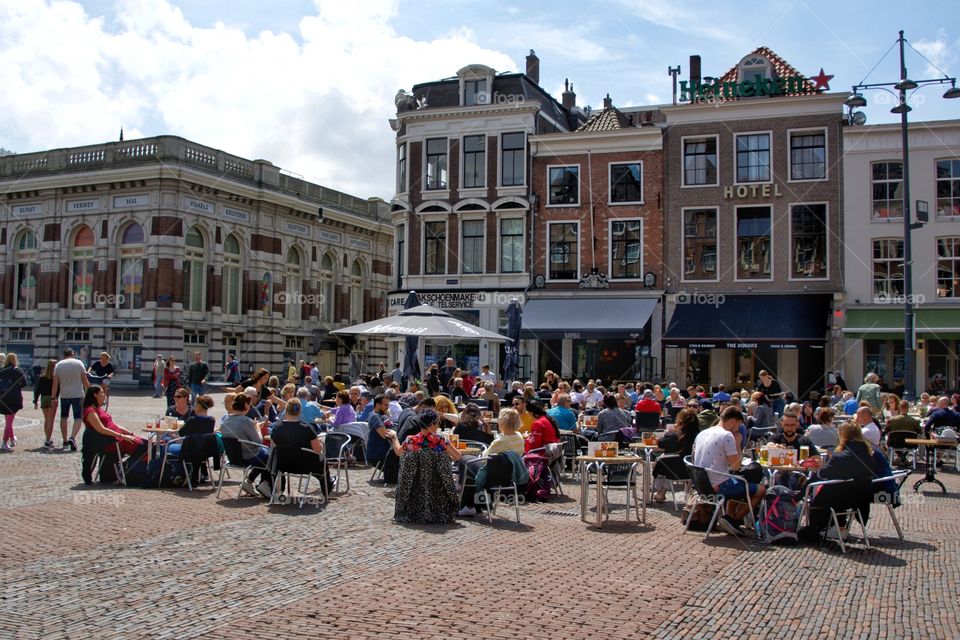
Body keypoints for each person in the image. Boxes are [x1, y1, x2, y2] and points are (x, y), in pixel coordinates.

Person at [800, 422, 894, 540]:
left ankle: (815, 527)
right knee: (832, 487)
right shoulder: (868, 452)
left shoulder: (841, 455)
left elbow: (824, 473)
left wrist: (820, 468)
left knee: (819, 490)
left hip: (844, 498)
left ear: (843, 436)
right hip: (862, 497)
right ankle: (837, 527)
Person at [692, 405, 766, 536]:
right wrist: (737, 443)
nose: (738, 429)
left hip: (701, 484)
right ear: (732, 421)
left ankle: (729, 517)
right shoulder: (727, 436)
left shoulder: (702, 433)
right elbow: (736, 466)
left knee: (736, 480)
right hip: (717, 486)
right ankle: (733, 520)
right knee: (761, 490)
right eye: (738, 426)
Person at [80, 385, 148, 484]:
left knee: (146, 444)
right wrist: (123, 436)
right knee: (142, 446)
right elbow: (101, 429)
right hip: (111, 441)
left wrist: (128, 432)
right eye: (102, 392)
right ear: (95, 395)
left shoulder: (99, 409)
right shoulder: (90, 411)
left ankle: (128, 468)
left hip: (117, 437)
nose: (104, 395)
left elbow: (112, 424)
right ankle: (126, 469)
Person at [271, 399, 327, 496]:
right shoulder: (307, 428)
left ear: (286, 410)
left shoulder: (277, 427)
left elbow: (273, 444)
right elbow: (318, 449)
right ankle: (327, 487)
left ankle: (279, 490)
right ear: (300, 411)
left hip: (282, 464)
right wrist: (321, 443)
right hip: (305, 465)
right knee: (323, 462)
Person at [220, 394, 272, 497]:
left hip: (233, 458)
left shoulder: (225, 420)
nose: (250, 407)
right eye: (250, 404)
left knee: (265, 455)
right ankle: (265, 484)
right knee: (270, 455)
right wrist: (257, 427)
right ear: (245, 405)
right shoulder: (245, 421)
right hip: (247, 457)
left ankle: (249, 481)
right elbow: (258, 442)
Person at [166, 395, 217, 486]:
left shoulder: (192, 420)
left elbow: (181, 433)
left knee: (168, 447)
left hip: (189, 450)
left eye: (196, 404)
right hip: (205, 451)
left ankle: (179, 473)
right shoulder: (211, 420)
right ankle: (190, 473)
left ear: (199, 406)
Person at [652, 408, 699, 502]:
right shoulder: (698, 435)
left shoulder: (675, 436)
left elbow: (661, 443)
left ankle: (658, 490)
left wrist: (668, 432)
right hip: (692, 469)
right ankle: (661, 492)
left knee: (661, 463)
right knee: (666, 462)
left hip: (675, 469)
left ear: (682, 423)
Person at [52, 347, 90, 451]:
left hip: (64, 395)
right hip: (78, 394)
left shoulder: (58, 365)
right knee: (78, 418)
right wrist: (90, 392)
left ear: (63, 355)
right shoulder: (79, 363)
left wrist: (53, 397)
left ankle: (64, 440)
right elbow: (84, 379)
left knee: (64, 417)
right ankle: (72, 437)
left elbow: (55, 383)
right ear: (73, 354)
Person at [0, 353, 27, 451]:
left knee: (8, 420)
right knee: (9, 421)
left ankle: (11, 439)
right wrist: (15, 388)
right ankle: (4, 442)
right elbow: (24, 383)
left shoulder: (2, 370)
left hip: (3, 398)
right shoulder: (18, 370)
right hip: (14, 398)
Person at [366, 394, 396, 470]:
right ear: (377, 405)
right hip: (378, 455)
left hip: (383, 452)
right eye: (386, 405)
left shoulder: (380, 415)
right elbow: (385, 435)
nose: (388, 407)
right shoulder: (375, 416)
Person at [34, 359, 58, 449]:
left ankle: (48, 438)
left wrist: (35, 401)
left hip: (44, 398)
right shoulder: (56, 377)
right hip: (52, 398)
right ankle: (48, 440)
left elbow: (37, 390)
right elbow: (58, 389)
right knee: (50, 421)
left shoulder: (42, 377)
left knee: (47, 420)